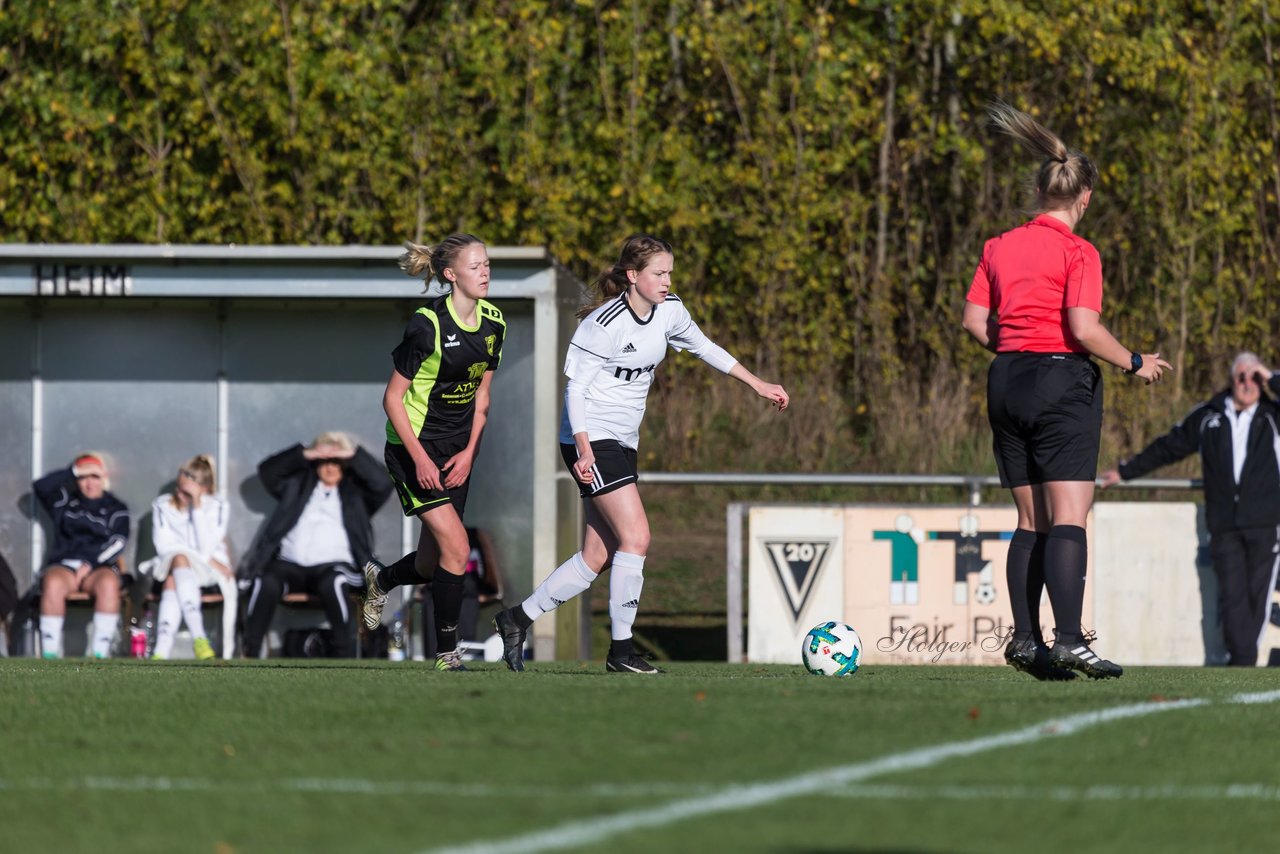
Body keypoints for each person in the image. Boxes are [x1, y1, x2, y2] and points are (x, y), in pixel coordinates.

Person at [491, 234, 789, 674]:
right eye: (659, 273)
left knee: (598, 555)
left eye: (670, 272)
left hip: (623, 441)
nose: (667, 280)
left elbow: (705, 347)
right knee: (637, 537)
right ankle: (621, 651)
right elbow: (576, 388)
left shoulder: (670, 311)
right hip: (588, 438)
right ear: (633, 276)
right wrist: (586, 448)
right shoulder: (604, 324)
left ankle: (516, 620)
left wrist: (758, 383)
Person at [962, 102, 1171, 681]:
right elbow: (1082, 328)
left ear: (1038, 191)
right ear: (1084, 199)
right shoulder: (1079, 252)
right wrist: (1135, 361)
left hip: (1006, 379)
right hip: (1061, 380)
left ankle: (1026, 641)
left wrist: (1018, 347)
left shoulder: (998, 246)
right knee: (1071, 517)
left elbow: (975, 323)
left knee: (1032, 520)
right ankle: (1071, 640)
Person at [360, 234, 506, 672]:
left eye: (487, 263)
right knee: (458, 550)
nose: (485, 271)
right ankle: (448, 654)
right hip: (412, 450)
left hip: (456, 453)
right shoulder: (428, 324)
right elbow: (391, 399)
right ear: (450, 274)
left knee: (431, 562)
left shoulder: (495, 323)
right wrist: (421, 460)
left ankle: (382, 578)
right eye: (476, 265)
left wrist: (468, 455)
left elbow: (482, 401)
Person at [1100, 353, 1280, 666]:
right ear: (1230, 379)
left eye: (1254, 378)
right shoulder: (1209, 416)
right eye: (1241, 376)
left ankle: (1243, 660)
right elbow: (1170, 446)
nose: (1247, 383)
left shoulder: (1272, 415)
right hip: (1224, 523)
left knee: (1258, 597)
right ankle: (1241, 662)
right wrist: (1126, 472)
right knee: (1231, 595)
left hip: (1265, 524)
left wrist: (1268, 374)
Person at [240, 432, 392, 658]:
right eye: (323, 461)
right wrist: (305, 452)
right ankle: (250, 653)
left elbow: (383, 482)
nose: (329, 467)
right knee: (266, 579)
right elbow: (268, 472)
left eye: (336, 462)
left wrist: (352, 454)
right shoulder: (298, 485)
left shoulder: (355, 493)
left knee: (335, 580)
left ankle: (346, 655)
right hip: (291, 565)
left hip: (335, 566)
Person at [33, 453, 131, 658]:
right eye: (84, 477)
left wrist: (91, 563)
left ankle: (99, 654)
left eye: (95, 476)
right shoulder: (64, 502)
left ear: (104, 477)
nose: (89, 483)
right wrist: (73, 471)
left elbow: (118, 542)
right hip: (65, 566)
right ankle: (49, 654)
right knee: (52, 583)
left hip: (97, 567)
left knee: (108, 584)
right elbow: (40, 486)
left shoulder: (116, 508)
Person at [141, 455, 234, 660]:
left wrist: (197, 507)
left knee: (176, 569)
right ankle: (196, 640)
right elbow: (163, 546)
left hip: (208, 572)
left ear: (205, 489)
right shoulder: (163, 505)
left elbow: (206, 546)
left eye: (188, 492)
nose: (181, 495)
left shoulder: (218, 507)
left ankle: (163, 649)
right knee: (178, 562)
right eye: (179, 489)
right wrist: (199, 556)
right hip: (175, 564)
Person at [415, 525, 506, 656]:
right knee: (434, 592)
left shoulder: (475, 539)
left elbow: (479, 573)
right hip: (441, 581)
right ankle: (434, 654)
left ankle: (466, 651)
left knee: (465, 589)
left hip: (467, 584)